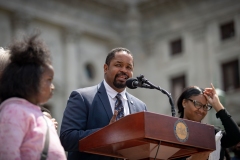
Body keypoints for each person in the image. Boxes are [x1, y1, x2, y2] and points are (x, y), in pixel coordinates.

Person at [60, 47, 147, 160]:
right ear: (106, 68)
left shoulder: (140, 106)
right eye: (118, 65)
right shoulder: (82, 97)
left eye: (128, 67)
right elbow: (67, 139)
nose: (124, 70)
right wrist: (106, 133)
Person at [0, 34, 66, 159]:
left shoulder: (38, 114)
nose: (53, 87)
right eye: (48, 80)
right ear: (29, 80)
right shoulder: (13, 111)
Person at [175, 84, 240, 160]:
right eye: (197, 104)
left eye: (205, 107)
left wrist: (217, 104)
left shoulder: (212, 134)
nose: (202, 110)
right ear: (184, 103)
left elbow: (235, 137)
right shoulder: (170, 133)